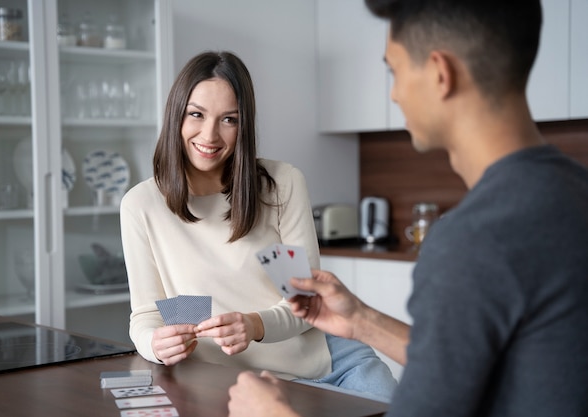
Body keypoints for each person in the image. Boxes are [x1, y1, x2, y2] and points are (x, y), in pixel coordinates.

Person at [228, 0, 588, 416]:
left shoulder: (471, 239)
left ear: (440, 73)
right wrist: (362, 320)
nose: (395, 93)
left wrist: (273, 412)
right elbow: (498, 360)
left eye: (394, 71)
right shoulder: (573, 191)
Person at [120, 50, 397, 402]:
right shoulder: (142, 205)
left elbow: (303, 303)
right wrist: (155, 345)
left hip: (323, 357)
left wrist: (254, 325)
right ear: (176, 115)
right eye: (196, 114)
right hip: (228, 375)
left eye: (229, 119)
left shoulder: (281, 184)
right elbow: (146, 316)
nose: (210, 134)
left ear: (244, 125)